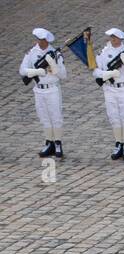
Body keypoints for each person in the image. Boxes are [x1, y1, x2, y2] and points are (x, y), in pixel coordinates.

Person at [93, 28, 124, 161]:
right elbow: (96, 71)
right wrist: (106, 74)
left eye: (115, 37)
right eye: (111, 37)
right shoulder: (103, 52)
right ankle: (118, 143)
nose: (112, 40)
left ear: (120, 39)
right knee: (113, 116)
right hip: (109, 88)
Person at [19, 28, 67, 159]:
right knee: (44, 117)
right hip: (38, 89)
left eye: (42, 40)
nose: (40, 42)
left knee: (55, 117)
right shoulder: (32, 52)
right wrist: (37, 72)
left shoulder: (55, 54)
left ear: (47, 40)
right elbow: (22, 70)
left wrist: (54, 66)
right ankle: (49, 142)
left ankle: (57, 143)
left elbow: (64, 75)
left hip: (52, 89)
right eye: (38, 40)